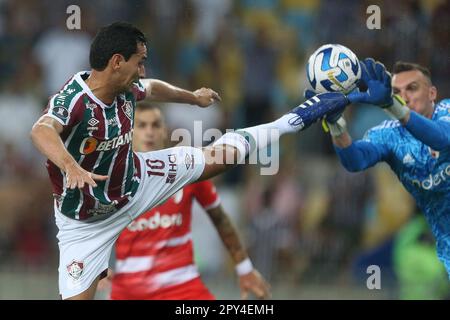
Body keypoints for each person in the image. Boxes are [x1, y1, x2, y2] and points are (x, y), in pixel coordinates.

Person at [30, 21, 356, 300]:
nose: (142, 71)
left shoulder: (126, 86)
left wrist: (192, 98)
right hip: (84, 224)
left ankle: (295, 119)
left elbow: (153, 87)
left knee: (219, 159)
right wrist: (71, 166)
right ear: (117, 61)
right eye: (139, 62)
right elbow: (42, 130)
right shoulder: (73, 99)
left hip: (136, 182)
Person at [99, 102, 270, 300]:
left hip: (182, 286)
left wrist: (244, 268)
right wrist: (96, 268)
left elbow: (220, 218)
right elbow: (89, 226)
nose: (149, 132)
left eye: (155, 125)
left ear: (165, 131)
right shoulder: (113, 176)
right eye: (142, 125)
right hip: (130, 289)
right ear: (130, 132)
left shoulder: (187, 168)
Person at [321, 59, 450, 278]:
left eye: (412, 88)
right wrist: (336, 125)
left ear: (432, 94)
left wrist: (392, 105)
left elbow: (441, 138)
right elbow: (355, 161)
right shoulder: (388, 135)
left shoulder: (446, 110)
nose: (404, 96)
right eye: (397, 91)